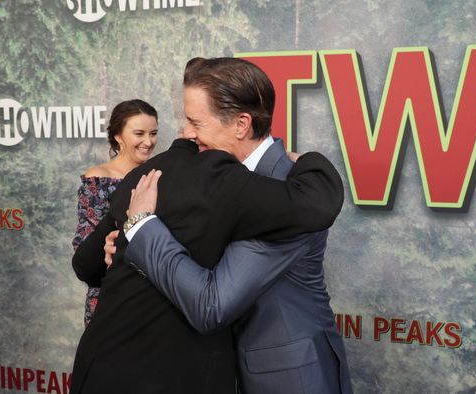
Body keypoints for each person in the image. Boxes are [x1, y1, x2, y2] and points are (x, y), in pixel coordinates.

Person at [69, 59, 344, 393]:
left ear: (241, 124)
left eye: (194, 121)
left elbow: (211, 304)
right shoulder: (212, 177)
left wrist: (142, 228)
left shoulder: (285, 189)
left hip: (283, 378)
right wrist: (125, 246)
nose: (186, 134)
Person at [72, 99, 158, 326]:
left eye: (153, 133)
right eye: (139, 133)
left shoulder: (156, 175)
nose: (148, 142)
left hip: (152, 295)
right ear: (119, 136)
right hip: (109, 294)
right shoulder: (99, 178)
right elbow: (86, 244)